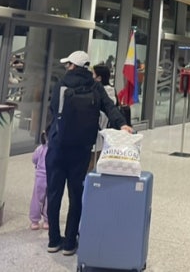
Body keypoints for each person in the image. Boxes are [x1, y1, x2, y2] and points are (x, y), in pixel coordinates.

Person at [45, 50, 133, 256]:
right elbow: (110, 107)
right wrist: (122, 124)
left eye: (68, 64)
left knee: (54, 193)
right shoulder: (95, 86)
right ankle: (70, 243)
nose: (67, 67)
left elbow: (53, 110)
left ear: (73, 66)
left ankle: (53, 240)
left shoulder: (61, 84)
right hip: (82, 148)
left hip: (58, 147)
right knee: (76, 194)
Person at [29, 131, 48, 231]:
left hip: (40, 177)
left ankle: (34, 221)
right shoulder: (55, 149)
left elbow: (34, 159)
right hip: (52, 177)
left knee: (36, 199)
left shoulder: (40, 149)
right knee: (49, 199)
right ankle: (47, 221)